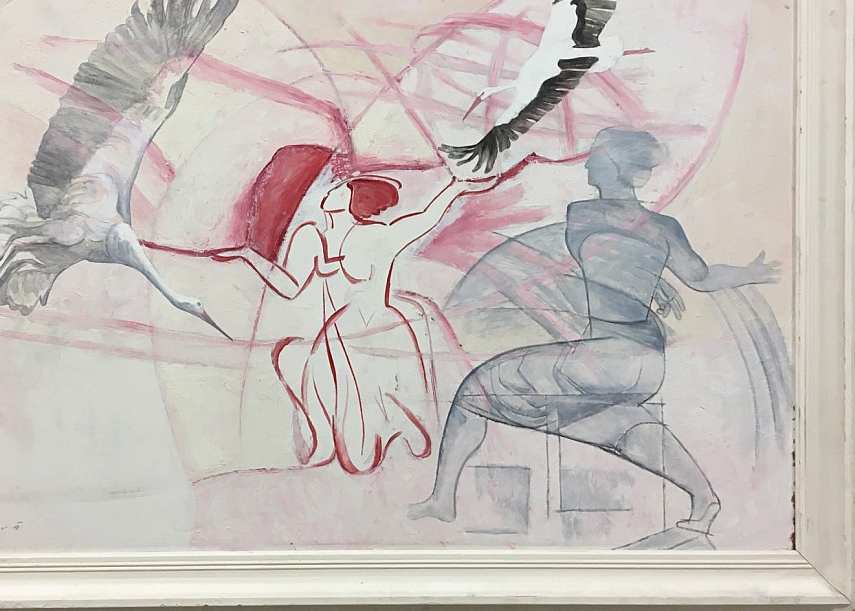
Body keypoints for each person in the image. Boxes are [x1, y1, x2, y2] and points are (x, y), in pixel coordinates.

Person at [409, 127, 780, 533]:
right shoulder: (663, 226)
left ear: (618, 166)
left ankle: (443, 500)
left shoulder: (583, 214)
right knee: (617, 426)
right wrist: (742, 274)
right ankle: (704, 499)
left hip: (609, 356)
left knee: (476, 390)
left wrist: (650, 277)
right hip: (644, 363)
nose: (587, 164)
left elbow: (586, 259)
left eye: (596, 157)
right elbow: (700, 277)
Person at [212, 172, 496, 474]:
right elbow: (289, 287)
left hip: (374, 330)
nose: (330, 190)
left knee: (359, 459)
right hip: (337, 336)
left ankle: (398, 421)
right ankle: (378, 426)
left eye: (341, 188)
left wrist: (456, 187)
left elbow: (425, 218)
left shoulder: (377, 236)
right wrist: (249, 256)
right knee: (291, 358)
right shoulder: (311, 236)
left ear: (357, 200)